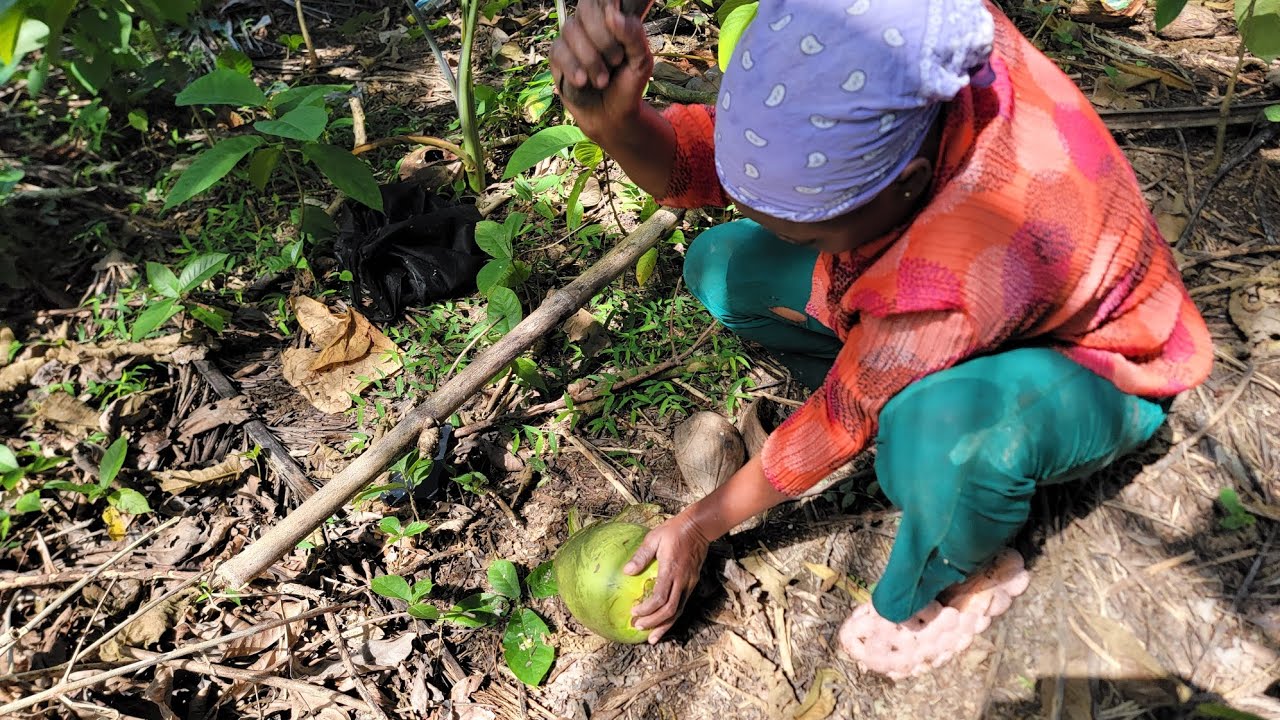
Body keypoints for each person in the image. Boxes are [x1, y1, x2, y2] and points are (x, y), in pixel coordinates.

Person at [549, 0, 1212, 677]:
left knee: (933, 444)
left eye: (800, 232)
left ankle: (954, 578)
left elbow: (840, 418)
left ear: (908, 186)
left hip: (1097, 363)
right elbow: (721, 162)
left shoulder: (952, 275)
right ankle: (908, 389)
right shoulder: (900, 39)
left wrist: (699, 522)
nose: (784, 240)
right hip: (939, 292)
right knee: (722, 267)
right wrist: (616, 123)